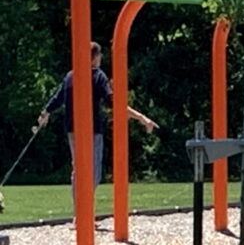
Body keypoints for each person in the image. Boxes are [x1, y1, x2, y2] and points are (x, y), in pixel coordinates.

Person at [38, 42, 157, 212]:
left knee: (78, 170)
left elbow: (57, 99)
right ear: (94, 57)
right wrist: (141, 117)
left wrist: (45, 113)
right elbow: (114, 104)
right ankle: (84, 213)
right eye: (100, 55)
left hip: (73, 130)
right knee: (93, 172)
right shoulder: (98, 76)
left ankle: (79, 213)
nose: (101, 58)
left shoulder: (70, 76)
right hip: (92, 130)